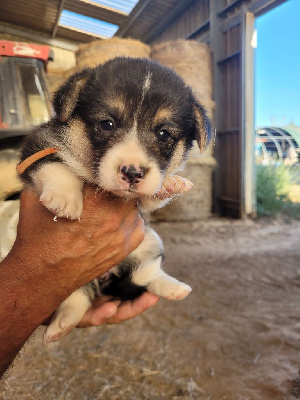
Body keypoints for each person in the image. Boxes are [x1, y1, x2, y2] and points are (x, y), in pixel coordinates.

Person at [0, 177, 192, 377]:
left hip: (128, 253)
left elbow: (144, 202)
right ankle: (75, 304)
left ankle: (152, 277)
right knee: (73, 284)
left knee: (149, 240)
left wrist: (158, 188)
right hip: (72, 269)